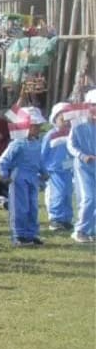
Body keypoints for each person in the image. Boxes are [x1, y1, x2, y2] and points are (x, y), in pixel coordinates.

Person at [0, 107, 48, 246]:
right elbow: (4, 160)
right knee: (20, 206)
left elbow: (39, 160)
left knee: (33, 206)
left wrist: (44, 172)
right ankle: (18, 234)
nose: (37, 128)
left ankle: (31, 234)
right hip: (19, 177)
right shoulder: (17, 144)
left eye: (38, 126)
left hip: (33, 178)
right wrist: (4, 175)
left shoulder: (37, 143)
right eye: (34, 126)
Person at [66, 89, 96, 243]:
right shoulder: (78, 124)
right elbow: (71, 145)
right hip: (84, 167)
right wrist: (83, 156)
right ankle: (80, 230)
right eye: (93, 105)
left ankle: (91, 231)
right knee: (89, 198)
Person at [42, 103, 74, 233]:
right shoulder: (51, 134)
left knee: (67, 194)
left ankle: (66, 219)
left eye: (69, 120)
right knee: (58, 194)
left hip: (69, 169)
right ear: (55, 119)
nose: (66, 123)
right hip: (55, 170)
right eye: (63, 119)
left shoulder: (72, 134)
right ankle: (56, 218)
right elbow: (43, 152)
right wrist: (43, 169)